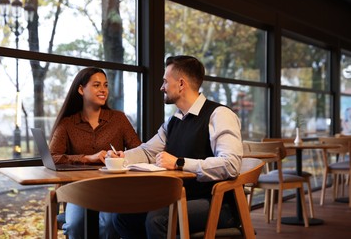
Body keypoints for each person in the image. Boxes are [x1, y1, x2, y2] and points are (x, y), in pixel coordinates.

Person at [108, 55, 243, 238]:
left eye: (165, 81)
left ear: (181, 84)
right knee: (123, 217)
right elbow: (148, 151)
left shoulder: (219, 115)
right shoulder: (173, 121)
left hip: (217, 203)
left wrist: (180, 163)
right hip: (180, 197)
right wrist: (122, 157)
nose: (161, 87)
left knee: (156, 219)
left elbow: (231, 164)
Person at [49, 67, 141, 239]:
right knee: (76, 226)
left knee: (109, 225)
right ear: (81, 89)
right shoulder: (68, 124)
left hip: (113, 190)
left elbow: (139, 150)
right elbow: (52, 157)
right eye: (96, 85)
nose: (103, 90)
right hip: (79, 190)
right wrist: (86, 158)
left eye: (105, 85)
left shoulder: (119, 119)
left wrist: (123, 156)